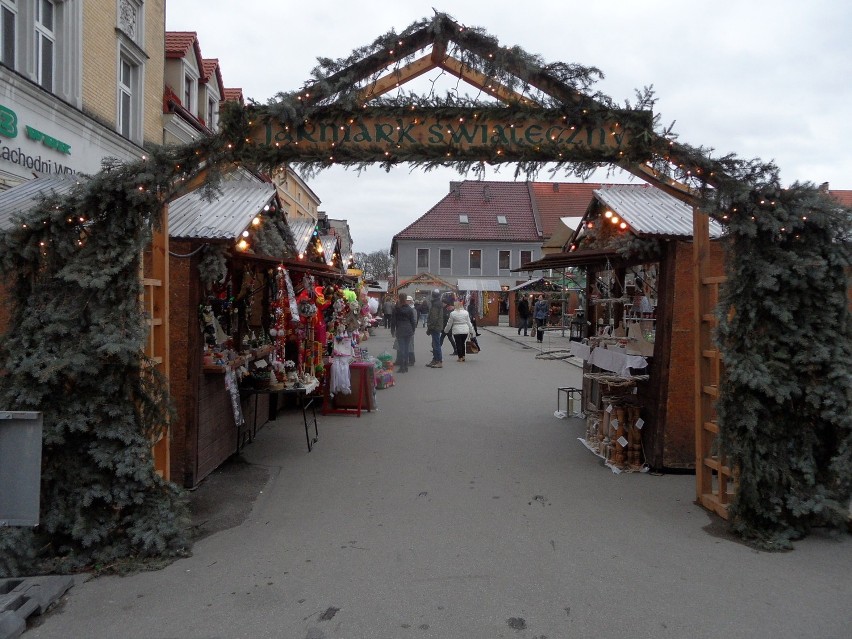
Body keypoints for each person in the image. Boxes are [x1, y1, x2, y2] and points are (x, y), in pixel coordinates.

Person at [390, 293, 416, 373]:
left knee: (401, 349)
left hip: (400, 329)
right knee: (406, 348)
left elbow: (393, 321)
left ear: (399, 298)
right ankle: (406, 366)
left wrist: (392, 331)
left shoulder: (396, 308)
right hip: (408, 329)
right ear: (405, 299)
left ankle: (402, 367)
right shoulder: (409, 309)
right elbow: (413, 321)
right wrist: (412, 330)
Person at [425, 289, 445, 368]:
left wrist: (430, 328)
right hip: (437, 326)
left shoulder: (435, 304)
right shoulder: (438, 303)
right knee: (435, 344)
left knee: (436, 344)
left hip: (435, 327)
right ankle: (435, 359)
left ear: (432, 295)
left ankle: (439, 361)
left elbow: (434, 317)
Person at [406, 295, 418, 365]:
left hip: (410, 329)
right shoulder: (407, 308)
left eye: (408, 300)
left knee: (410, 345)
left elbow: (414, 320)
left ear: (411, 301)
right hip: (406, 328)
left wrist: (412, 329)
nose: (407, 301)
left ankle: (411, 360)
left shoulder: (413, 310)